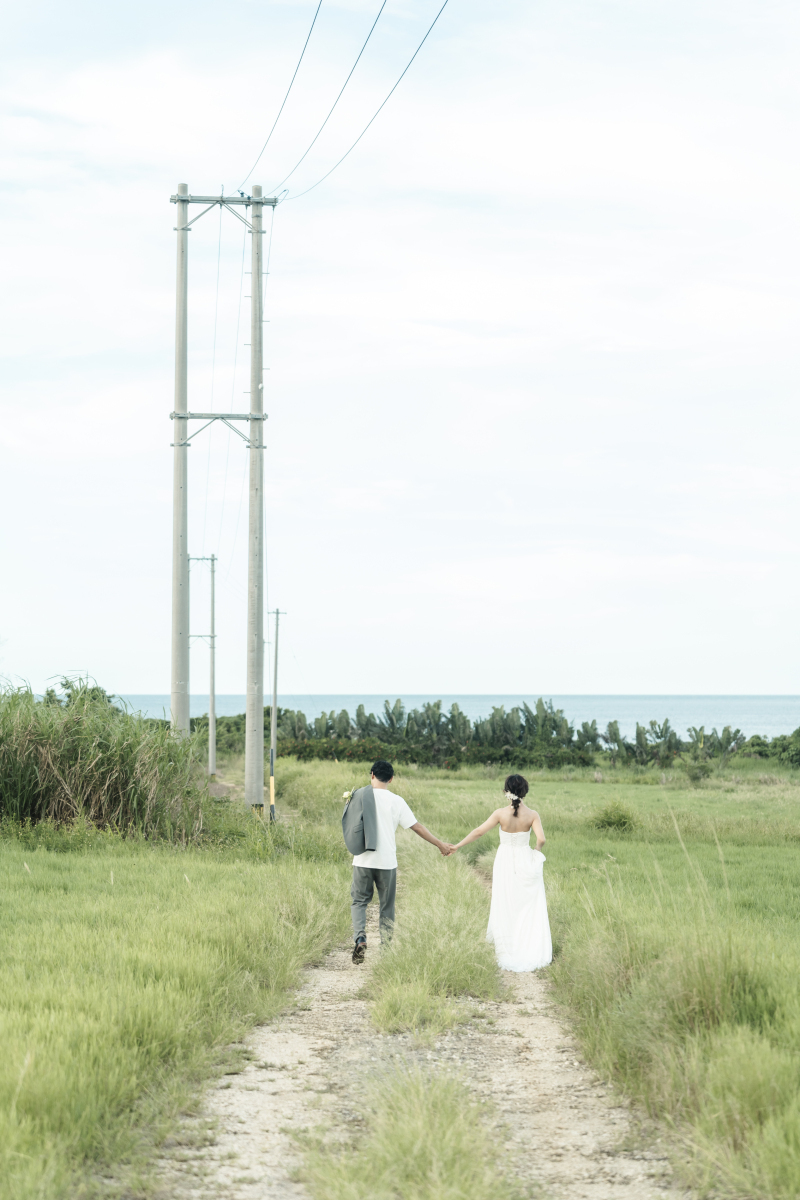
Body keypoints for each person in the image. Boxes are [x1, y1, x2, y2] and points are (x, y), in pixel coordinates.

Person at [350, 759, 451, 964]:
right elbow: (417, 827)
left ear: (371, 775)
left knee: (359, 901)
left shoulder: (359, 796)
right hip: (387, 862)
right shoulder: (396, 801)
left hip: (362, 859)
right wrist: (440, 844)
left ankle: (360, 937)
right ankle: (386, 950)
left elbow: (349, 824)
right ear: (391, 779)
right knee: (387, 906)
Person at [448, 773, 552, 972]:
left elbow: (478, 831)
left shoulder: (499, 814)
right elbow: (541, 839)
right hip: (524, 859)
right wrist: (535, 854)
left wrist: (457, 846)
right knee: (526, 903)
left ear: (506, 791)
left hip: (504, 860)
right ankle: (526, 943)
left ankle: (507, 944)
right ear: (525, 792)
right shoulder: (532, 815)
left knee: (505, 900)